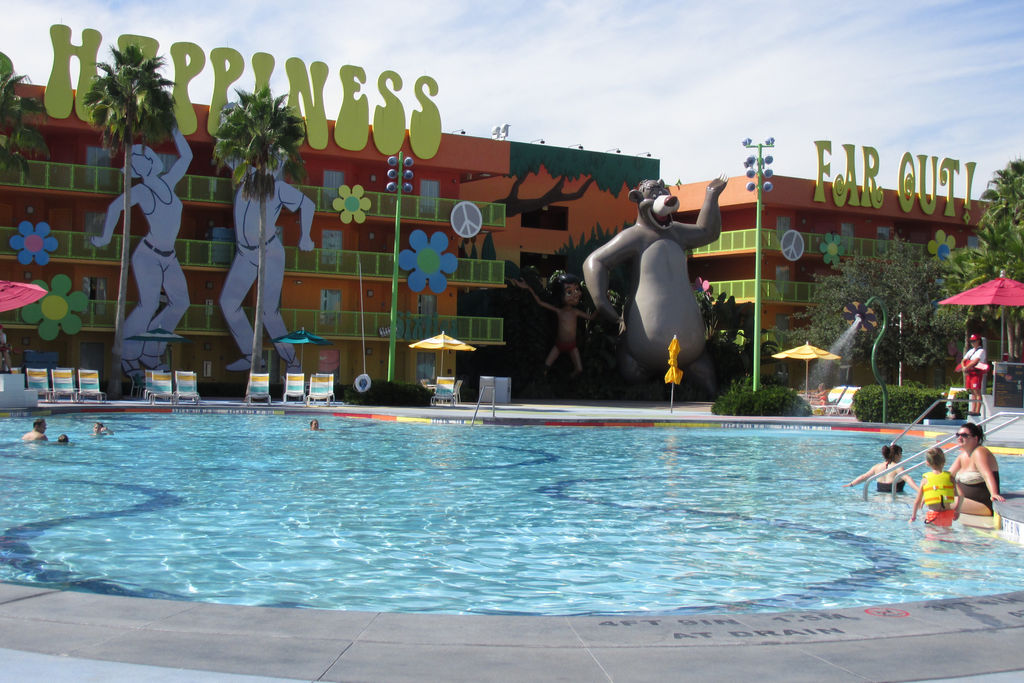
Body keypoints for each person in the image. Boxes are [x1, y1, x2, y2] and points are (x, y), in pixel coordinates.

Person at [93, 128, 193, 374]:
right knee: (146, 305)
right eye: (138, 162)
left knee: (181, 302)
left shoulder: (169, 182)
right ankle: (127, 356)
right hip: (147, 255)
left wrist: (175, 131)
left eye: (145, 157)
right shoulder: (140, 191)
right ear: (136, 170)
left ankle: (150, 351)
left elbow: (187, 157)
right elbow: (116, 207)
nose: (145, 163)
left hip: (169, 257)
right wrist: (106, 236)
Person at [511, 274, 594, 376]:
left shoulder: (575, 312)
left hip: (572, 346)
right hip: (559, 345)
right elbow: (540, 302)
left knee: (579, 369)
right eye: (569, 292)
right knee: (545, 367)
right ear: (560, 295)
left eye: (577, 289)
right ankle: (542, 381)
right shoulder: (559, 311)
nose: (575, 294)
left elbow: (591, 317)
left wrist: (601, 305)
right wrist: (528, 288)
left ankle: (568, 381)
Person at [949, 421, 1004, 516]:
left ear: (975, 438)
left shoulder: (979, 452)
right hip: (966, 501)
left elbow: (987, 474)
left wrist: (994, 493)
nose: (959, 438)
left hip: (983, 505)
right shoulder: (963, 456)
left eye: (964, 435)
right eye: (958, 435)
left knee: (939, 502)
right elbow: (947, 476)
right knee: (933, 496)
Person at [910, 447, 963, 526]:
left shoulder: (925, 480)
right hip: (947, 515)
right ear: (944, 461)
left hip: (933, 515)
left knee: (931, 536)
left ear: (927, 463)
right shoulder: (950, 478)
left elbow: (917, 501)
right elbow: (961, 495)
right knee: (946, 536)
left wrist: (913, 517)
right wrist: (958, 509)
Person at [843, 443, 919, 494]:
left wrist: (851, 484)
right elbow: (908, 479)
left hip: (878, 498)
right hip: (895, 498)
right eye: (901, 454)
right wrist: (919, 491)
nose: (901, 456)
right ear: (897, 455)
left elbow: (864, 477)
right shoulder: (898, 468)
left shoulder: (877, 467)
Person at [958, 334, 987, 416]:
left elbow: (976, 361)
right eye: (971, 341)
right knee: (972, 391)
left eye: (974, 341)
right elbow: (963, 360)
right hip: (969, 373)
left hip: (976, 373)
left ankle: (977, 411)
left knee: (977, 391)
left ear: (978, 341)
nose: (972, 343)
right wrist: (964, 367)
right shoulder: (971, 351)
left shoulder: (981, 351)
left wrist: (966, 367)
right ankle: (973, 410)